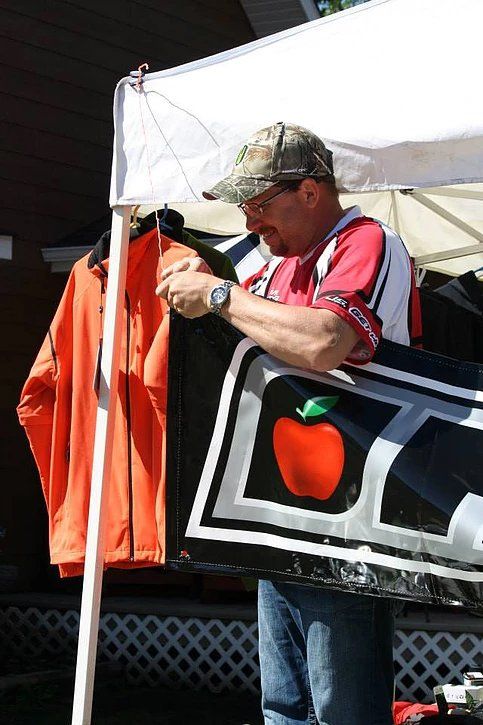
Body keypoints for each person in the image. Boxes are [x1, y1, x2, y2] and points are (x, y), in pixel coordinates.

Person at [156, 122, 422, 725]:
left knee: (341, 707)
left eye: (258, 205)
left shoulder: (365, 241)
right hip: (280, 513)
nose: (250, 223)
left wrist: (220, 297)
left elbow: (328, 341)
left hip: (352, 517)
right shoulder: (272, 268)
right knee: (285, 708)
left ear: (310, 191)